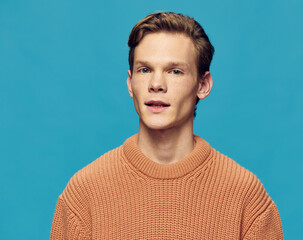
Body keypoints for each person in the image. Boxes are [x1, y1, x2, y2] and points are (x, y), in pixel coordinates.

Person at [50, 12, 283, 239]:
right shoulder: (84, 194)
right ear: (130, 84)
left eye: (175, 71)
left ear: (203, 84)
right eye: (145, 70)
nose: (157, 84)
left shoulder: (246, 197)